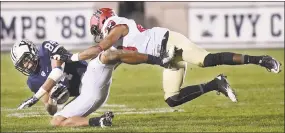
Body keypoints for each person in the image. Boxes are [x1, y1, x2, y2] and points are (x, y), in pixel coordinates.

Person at [55, 8, 282, 108]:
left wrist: (72, 56)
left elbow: (100, 47)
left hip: (169, 42)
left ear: (102, 24)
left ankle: (261, 59)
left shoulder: (117, 27)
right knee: (172, 99)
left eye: (97, 29)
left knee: (207, 60)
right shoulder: (118, 46)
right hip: (165, 58)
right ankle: (216, 83)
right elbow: (102, 68)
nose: (98, 34)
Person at [13, 39, 173, 127]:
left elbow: (57, 71)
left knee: (108, 55)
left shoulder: (46, 49)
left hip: (90, 76)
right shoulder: (32, 81)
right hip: (85, 96)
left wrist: (36, 96)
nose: (27, 65)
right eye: (22, 64)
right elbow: (50, 108)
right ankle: (100, 121)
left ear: (32, 52)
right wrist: (53, 100)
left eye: (26, 60)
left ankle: (160, 58)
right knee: (56, 121)